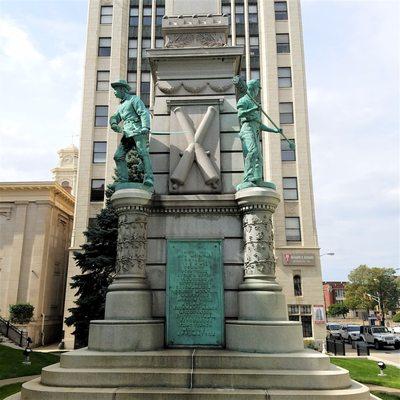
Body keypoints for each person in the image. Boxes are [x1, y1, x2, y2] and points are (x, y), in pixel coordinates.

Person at [236, 79, 281, 190]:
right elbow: (240, 114)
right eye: (258, 89)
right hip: (247, 129)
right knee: (253, 151)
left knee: (259, 158)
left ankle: (257, 179)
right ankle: (247, 178)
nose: (258, 91)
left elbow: (259, 125)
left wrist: (275, 130)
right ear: (254, 88)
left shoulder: (254, 102)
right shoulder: (244, 100)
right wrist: (253, 108)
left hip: (255, 130)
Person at [109, 79, 153, 188]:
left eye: (116, 90)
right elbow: (115, 117)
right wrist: (114, 123)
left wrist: (145, 127)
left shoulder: (134, 99)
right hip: (127, 133)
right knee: (118, 156)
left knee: (142, 153)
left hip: (138, 130)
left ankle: (149, 178)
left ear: (122, 89)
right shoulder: (120, 106)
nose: (114, 92)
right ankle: (123, 180)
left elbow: (143, 112)